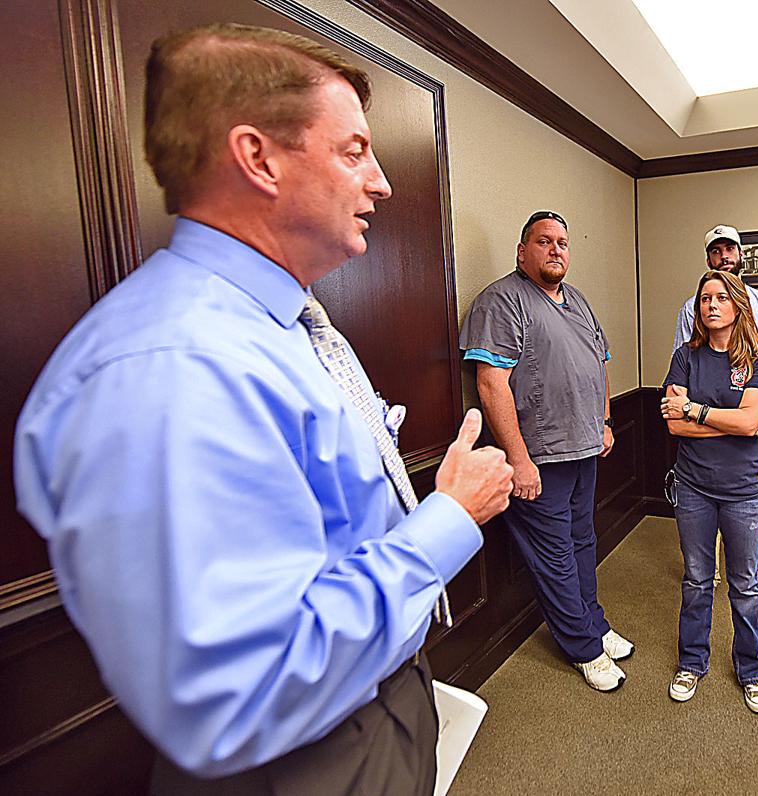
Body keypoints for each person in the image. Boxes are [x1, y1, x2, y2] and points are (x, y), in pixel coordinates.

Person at [12, 23, 513, 795]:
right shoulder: (173, 370)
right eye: (354, 150)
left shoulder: (283, 325)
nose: (381, 182)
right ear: (257, 157)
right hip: (299, 760)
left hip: (373, 703)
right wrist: (446, 519)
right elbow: (241, 694)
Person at [460, 210, 633, 692]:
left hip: (583, 448)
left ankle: (593, 623)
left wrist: (604, 422)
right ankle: (583, 647)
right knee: (555, 556)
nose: (556, 249)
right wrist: (518, 460)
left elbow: (599, 361)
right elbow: (491, 384)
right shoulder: (502, 300)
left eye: (562, 242)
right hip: (539, 458)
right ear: (522, 252)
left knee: (583, 542)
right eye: (544, 241)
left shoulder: (577, 300)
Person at [660, 270, 758, 713]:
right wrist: (733, 424)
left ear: (737, 306)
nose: (711, 305)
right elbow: (674, 426)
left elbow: (750, 422)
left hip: (744, 491)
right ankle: (691, 662)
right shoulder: (685, 356)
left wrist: (696, 410)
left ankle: (751, 670)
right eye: (704, 298)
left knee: (744, 585)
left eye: (721, 298)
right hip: (693, 487)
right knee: (696, 580)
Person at [674, 225, 758, 600]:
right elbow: (686, 368)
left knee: (752, 492)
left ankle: (755, 567)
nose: (724, 256)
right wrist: (735, 423)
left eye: (730, 249)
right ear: (708, 257)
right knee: (702, 503)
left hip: (754, 406)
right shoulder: (690, 308)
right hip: (706, 419)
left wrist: (750, 416)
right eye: (716, 251)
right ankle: (709, 572)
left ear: (741, 255)